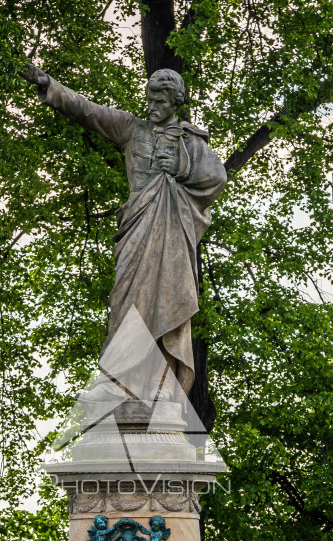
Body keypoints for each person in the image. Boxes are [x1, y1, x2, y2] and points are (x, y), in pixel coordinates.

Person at [22, 65, 227, 399]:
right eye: (149, 97)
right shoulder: (133, 129)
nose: (151, 104)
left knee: (166, 303)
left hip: (170, 236)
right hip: (136, 228)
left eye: (159, 98)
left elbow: (216, 178)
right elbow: (90, 111)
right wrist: (51, 86)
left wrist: (180, 168)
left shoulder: (190, 141)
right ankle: (121, 382)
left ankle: (159, 387)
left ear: (174, 101)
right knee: (125, 301)